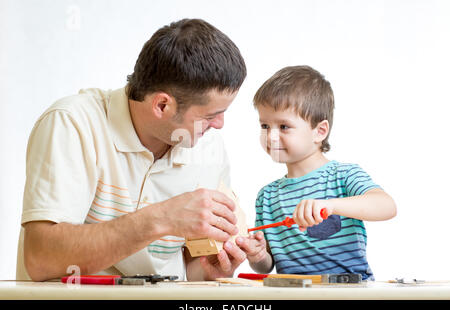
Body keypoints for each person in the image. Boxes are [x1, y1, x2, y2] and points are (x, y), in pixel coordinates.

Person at [17, 18, 248, 282]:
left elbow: (189, 271)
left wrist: (208, 270)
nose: (219, 125)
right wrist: (162, 217)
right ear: (162, 105)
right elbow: (40, 259)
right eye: (210, 116)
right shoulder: (73, 123)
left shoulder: (208, 147)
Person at [236, 66, 396, 280]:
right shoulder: (266, 197)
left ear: (319, 131)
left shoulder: (343, 175)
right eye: (265, 125)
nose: (271, 136)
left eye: (284, 126)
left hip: (350, 294)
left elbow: (387, 206)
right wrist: (257, 255)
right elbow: (267, 266)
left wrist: (331, 205)